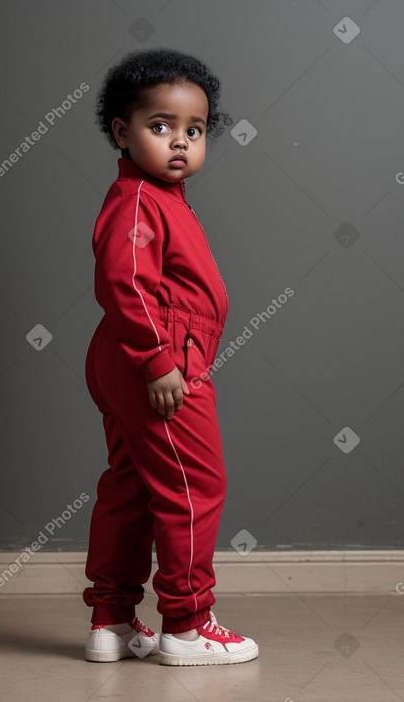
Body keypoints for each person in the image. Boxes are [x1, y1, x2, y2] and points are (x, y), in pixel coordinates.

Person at [83, 47, 259, 666]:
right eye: (160, 127)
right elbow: (124, 284)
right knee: (194, 487)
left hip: (136, 356)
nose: (180, 142)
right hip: (158, 361)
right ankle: (187, 624)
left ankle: (111, 621)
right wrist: (159, 362)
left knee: (131, 485)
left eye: (195, 129)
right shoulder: (137, 201)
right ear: (121, 132)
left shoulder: (162, 199)